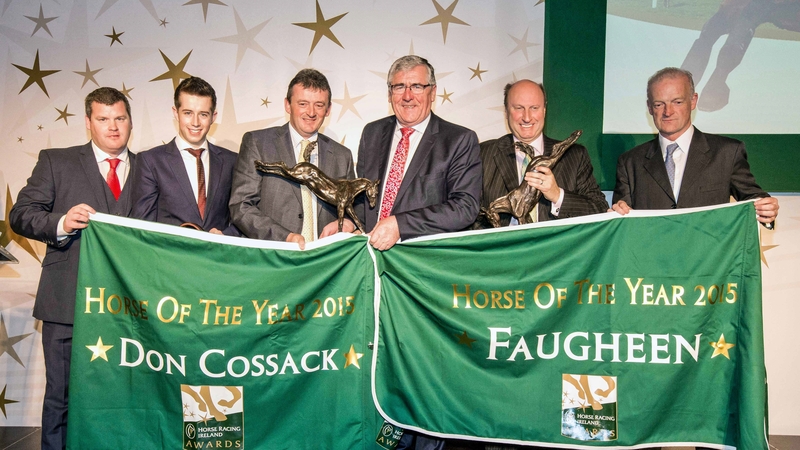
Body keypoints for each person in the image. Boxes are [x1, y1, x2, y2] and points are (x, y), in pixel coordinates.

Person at [10, 87, 136, 450]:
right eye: (103, 119)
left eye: (120, 118)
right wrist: (62, 222)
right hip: (67, 303)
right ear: (88, 123)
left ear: (130, 121)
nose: (113, 127)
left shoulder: (147, 167)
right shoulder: (56, 161)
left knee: (124, 395)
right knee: (62, 395)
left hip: (128, 308)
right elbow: (21, 215)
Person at [612, 67, 779, 227]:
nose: (668, 111)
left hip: (710, 255)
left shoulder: (727, 153)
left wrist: (767, 210)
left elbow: (754, 199)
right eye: (659, 104)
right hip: (652, 255)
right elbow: (622, 220)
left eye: (677, 102)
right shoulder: (629, 162)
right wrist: (616, 214)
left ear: (693, 101)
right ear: (649, 107)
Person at [357, 55, 482, 252]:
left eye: (416, 86)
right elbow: (363, 197)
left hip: (424, 262)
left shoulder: (459, 140)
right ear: (390, 94)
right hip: (371, 257)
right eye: (399, 87)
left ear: (432, 92)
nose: (407, 96)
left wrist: (400, 225)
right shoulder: (371, 133)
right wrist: (351, 222)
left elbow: (464, 207)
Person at [229, 68, 355, 248]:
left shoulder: (343, 156)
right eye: (303, 103)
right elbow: (241, 206)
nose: (311, 112)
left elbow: (354, 209)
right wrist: (285, 238)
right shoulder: (257, 143)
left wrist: (347, 224)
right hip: (275, 259)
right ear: (287, 105)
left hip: (326, 262)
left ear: (328, 110)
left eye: (319, 105)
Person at [476, 80, 607, 228]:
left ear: (544, 110)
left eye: (534, 108)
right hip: (502, 249)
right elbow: (470, 215)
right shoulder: (482, 154)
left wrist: (557, 195)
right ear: (506, 112)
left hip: (557, 249)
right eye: (519, 108)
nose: (527, 117)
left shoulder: (575, 156)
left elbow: (600, 209)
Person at [131, 76, 239, 235]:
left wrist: (226, 236)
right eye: (188, 113)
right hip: (170, 257)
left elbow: (242, 216)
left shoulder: (232, 161)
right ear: (176, 113)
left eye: (203, 114)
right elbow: (143, 225)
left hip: (218, 256)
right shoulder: (150, 161)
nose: (195, 122)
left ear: (213, 117)